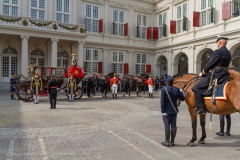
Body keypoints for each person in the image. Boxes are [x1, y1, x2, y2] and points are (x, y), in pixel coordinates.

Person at [192, 35, 232, 114]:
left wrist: (203, 72)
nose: (217, 43)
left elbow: (210, 63)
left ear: (220, 42)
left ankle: (201, 108)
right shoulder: (228, 52)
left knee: (196, 87)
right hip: (225, 74)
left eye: (217, 42)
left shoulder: (218, 51)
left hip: (216, 74)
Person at [161, 76, 185, 147]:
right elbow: (183, 98)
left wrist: (162, 111)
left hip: (166, 111)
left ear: (167, 82)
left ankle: (167, 141)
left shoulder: (164, 89)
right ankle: (172, 142)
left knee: (167, 125)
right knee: (174, 126)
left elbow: (162, 101)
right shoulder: (177, 90)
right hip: (174, 110)